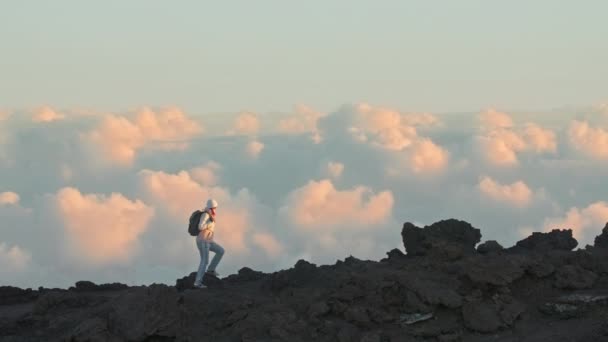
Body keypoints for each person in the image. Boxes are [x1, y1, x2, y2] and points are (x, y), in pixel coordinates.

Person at [193, 198, 225, 289]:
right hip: (203, 241)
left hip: (208, 241)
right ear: (211, 207)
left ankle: (211, 270)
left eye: (216, 207)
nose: (215, 209)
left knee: (221, 251)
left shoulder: (210, 215)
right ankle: (197, 282)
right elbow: (200, 227)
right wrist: (207, 224)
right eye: (214, 207)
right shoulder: (205, 215)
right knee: (204, 261)